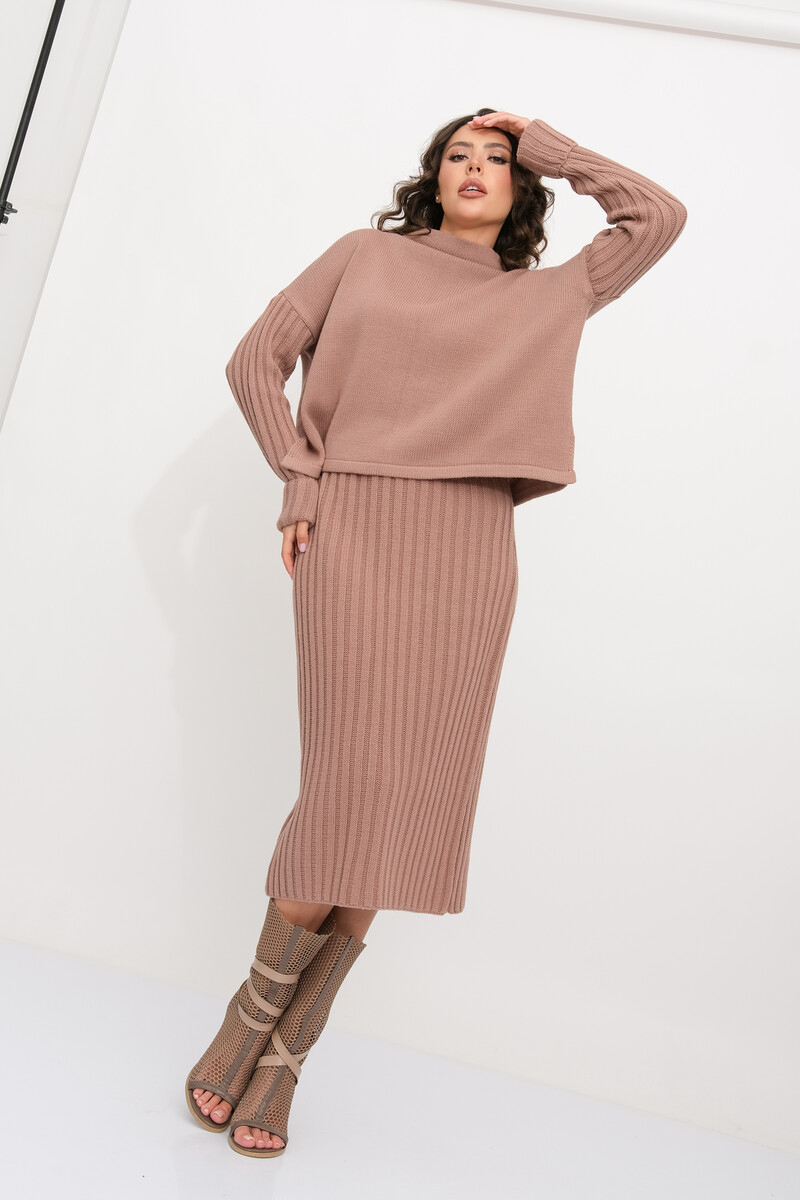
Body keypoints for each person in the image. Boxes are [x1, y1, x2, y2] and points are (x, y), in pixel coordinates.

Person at [185, 109, 688, 1159]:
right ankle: (249, 1019)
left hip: (470, 549)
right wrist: (300, 476)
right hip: (356, 527)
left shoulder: (548, 293)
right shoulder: (362, 257)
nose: (474, 168)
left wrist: (549, 143)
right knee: (347, 790)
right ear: (431, 176)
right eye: (458, 154)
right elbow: (253, 362)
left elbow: (656, 216)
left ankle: (286, 1054)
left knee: (407, 801)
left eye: (496, 160)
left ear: (522, 189)